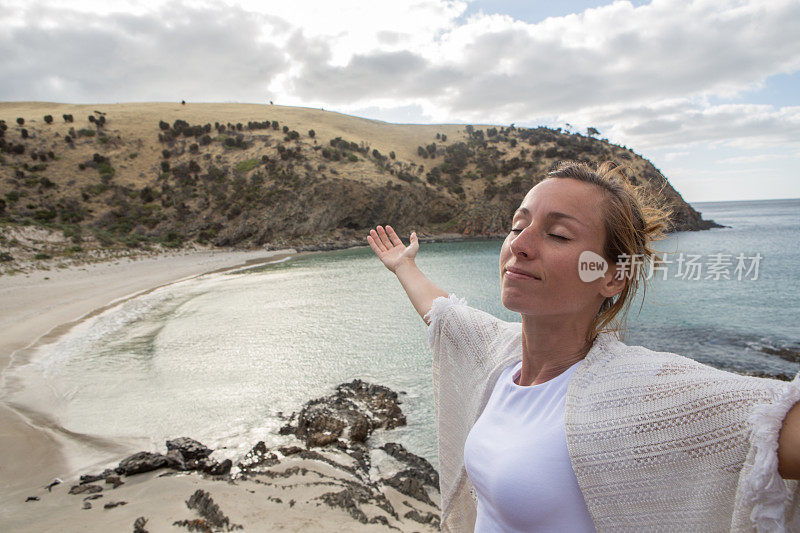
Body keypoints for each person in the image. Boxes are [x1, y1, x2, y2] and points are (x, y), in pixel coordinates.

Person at [366, 161, 800, 532]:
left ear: (611, 277)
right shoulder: (499, 354)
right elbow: (443, 313)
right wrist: (405, 266)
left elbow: (771, 423)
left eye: (557, 235)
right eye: (518, 226)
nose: (519, 244)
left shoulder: (644, 391)